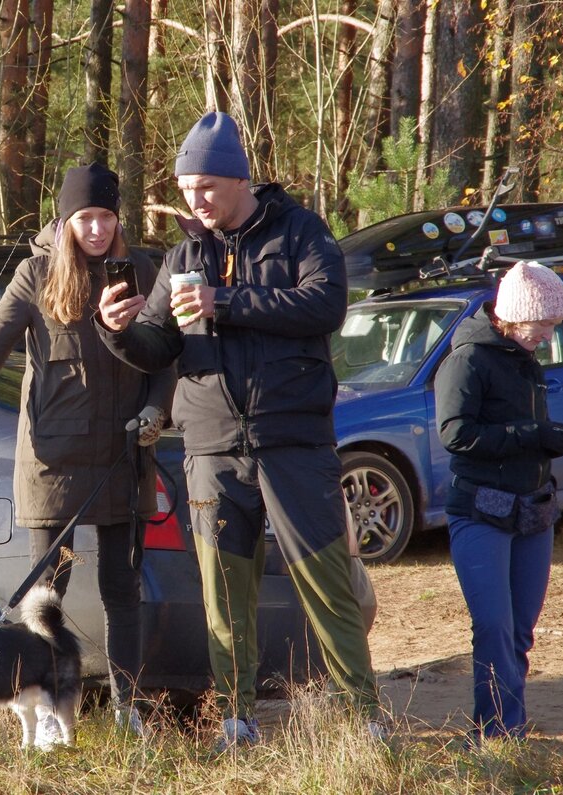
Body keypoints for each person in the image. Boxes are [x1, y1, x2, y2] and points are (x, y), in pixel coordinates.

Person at [96, 111, 381, 750]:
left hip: (293, 441)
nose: (194, 200)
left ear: (238, 179)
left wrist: (226, 302)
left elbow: (325, 304)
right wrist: (117, 333)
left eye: (206, 186)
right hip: (212, 449)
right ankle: (235, 718)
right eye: (186, 187)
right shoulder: (181, 255)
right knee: (226, 593)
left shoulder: (301, 231)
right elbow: (158, 346)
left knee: (326, 581)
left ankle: (362, 717)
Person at [0, 163, 174, 741]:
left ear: (119, 219)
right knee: (45, 596)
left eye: (106, 217)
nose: (96, 229)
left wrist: (155, 410)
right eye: (85, 218)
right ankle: (42, 716)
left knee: (122, 591)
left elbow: (167, 354)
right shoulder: (35, 276)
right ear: (63, 221)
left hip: (121, 456)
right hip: (52, 465)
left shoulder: (140, 270)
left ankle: (126, 709)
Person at [434, 260, 563, 745]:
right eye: (544, 326)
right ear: (516, 316)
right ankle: (494, 734)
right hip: (481, 509)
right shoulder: (467, 360)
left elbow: (517, 435)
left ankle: (509, 730)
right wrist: (533, 435)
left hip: (533, 509)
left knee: (521, 630)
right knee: (495, 626)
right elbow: (455, 436)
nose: (548, 336)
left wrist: (553, 441)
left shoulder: (527, 360)